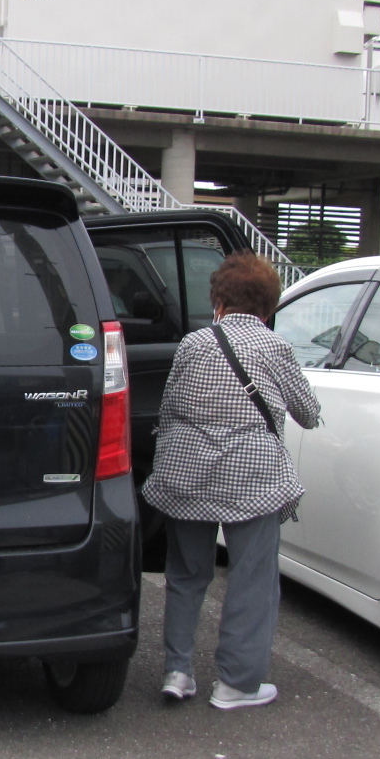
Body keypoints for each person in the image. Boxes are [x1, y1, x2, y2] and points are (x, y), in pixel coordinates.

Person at [141, 252, 320, 710]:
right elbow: (308, 413)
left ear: (218, 300)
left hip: (188, 477)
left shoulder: (192, 344)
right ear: (269, 307)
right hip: (253, 479)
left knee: (186, 575)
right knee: (251, 579)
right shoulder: (274, 347)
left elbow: (170, 407)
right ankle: (236, 683)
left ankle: (177, 671)